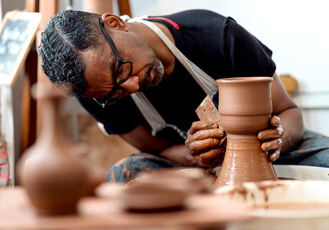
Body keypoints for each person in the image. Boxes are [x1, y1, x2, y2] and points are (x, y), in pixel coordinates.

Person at [38, 9, 329, 183]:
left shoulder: (218, 36)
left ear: (115, 23)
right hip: (193, 167)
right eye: (115, 92)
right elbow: (153, 148)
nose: (132, 86)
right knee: (124, 173)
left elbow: (289, 112)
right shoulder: (94, 92)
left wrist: (279, 139)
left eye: (121, 68)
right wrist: (193, 156)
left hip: (268, 150)